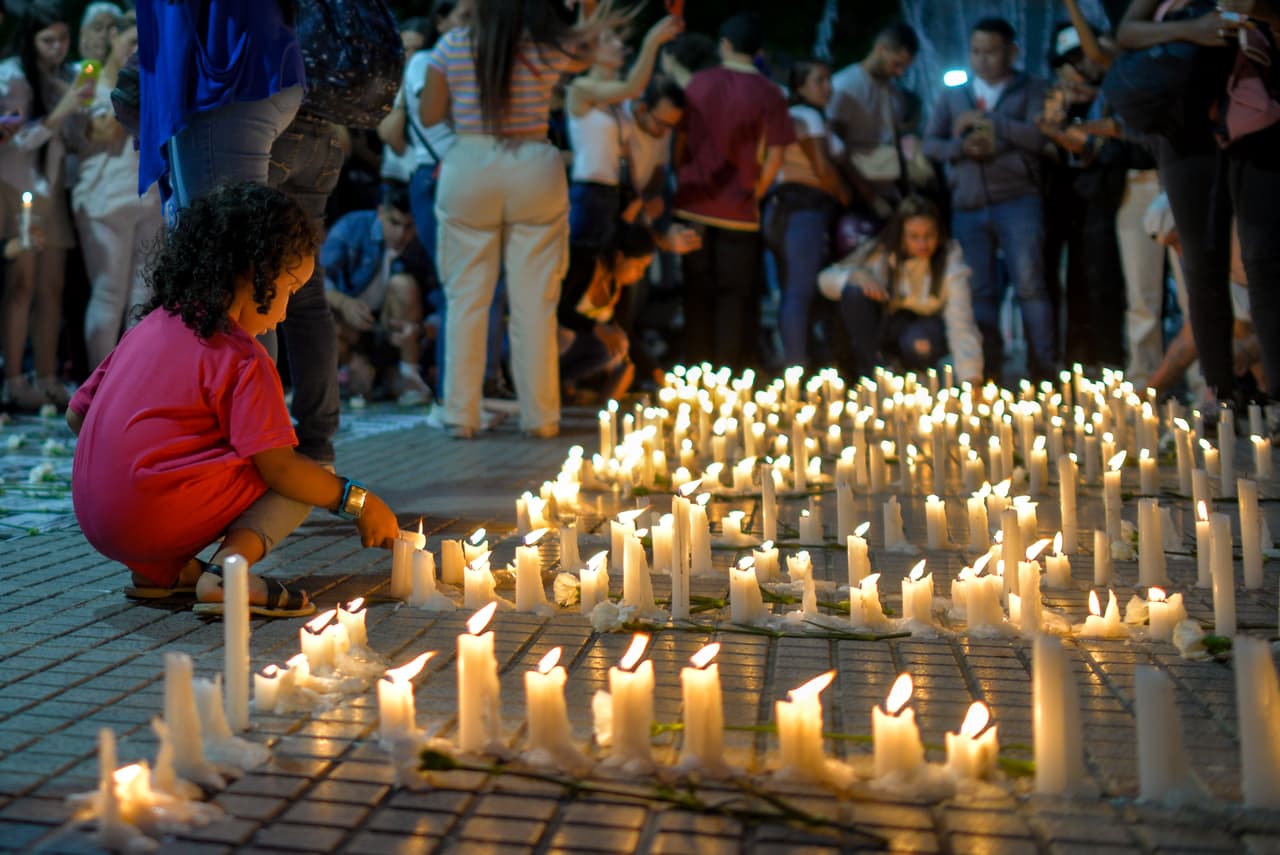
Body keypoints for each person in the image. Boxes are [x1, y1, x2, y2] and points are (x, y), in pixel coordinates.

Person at [67, 183, 400, 615]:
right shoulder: (242, 359)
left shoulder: (149, 327)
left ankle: (159, 572)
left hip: (95, 520)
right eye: (288, 290)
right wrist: (359, 502)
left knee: (222, 461)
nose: (284, 313)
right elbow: (282, 471)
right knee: (310, 477)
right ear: (256, 275)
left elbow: (77, 415)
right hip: (152, 517)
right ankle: (229, 572)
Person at [421, 0, 628, 439]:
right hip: (534, 165)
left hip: (469, 164)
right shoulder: (543, 46)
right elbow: (587, 52)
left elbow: (429, 114)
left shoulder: (453, 45)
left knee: (466, 299)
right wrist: (587, 9)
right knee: (536, 302)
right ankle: (541, 417)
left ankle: (461, 414)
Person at [1117, 0, 1280, 414]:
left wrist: (1256, 9)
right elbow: (1126, 33)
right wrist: (1191, 29)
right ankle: (1220, 395)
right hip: (1184, 126)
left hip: (1252, 119)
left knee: (1263, 262)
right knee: (1202, 263)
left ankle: (1278, 399)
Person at [922, 17, 1053, 383]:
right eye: (976, 51)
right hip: (968, 203)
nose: (982, 59)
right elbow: (929, 144)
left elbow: (1041, 136)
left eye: (991, 51)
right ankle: (987, 371)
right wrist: (960, 147)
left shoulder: (1032, 88)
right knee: (978, 291)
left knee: (1030, 286)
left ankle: (1043, 373)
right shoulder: (954, 95)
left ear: (1012, 52)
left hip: (1018, 199)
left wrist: (992, 122)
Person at [672, 11, 794, 370]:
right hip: (740, 211)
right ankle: (728, 375)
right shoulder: (770, 92)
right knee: (734, 297)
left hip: (693, 203)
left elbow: (679, 138)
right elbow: (776, 154)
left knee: (696, 293)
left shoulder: (698, 83)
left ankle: (696, 371)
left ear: (724, 45)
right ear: (758, 51)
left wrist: (681, 176)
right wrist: (756, 191)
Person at [0, 0, 93, 410]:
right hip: (17, 186)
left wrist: (79, 111)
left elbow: (72, 137)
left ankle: (48, 376)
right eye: (48, 40)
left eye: (63, 38)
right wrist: (62, 109)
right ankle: (14, 378)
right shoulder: (12, 77)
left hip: (53, 188)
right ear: (31, 40)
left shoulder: (65, 76)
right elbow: (14, 141)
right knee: (22, 282)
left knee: (52, 287)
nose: (57, 47)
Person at [71, 10, 164, 371]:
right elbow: (102, 131)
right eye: (132, 41)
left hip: (149, 196)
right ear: (113, 37)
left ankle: (131, 382)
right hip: (104, 198)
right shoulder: (89, 79)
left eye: (145, 43)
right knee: (109, 294)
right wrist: (136, 84)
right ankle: (99, 385)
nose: (138, 50)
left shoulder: (155, 80)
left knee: (144, 297)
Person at [819, 195, 982, 386]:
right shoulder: (882, 253)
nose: (923, 244)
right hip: (889, 328)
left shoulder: (950, 260)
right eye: (914, 236)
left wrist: (970, 377)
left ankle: (918, 377)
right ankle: (877, 375)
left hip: (928, 330)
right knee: (854, 293)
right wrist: (855, 275)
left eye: (929, 235)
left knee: (918, 342)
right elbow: (825, 280)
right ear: (901, 235)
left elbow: (961, 322)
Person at [762, 58, 846, 370]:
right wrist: (848, 198)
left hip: (787, 211)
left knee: (796, 291)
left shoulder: (803, 117)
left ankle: (801, 363)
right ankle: (796, 367)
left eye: (829, 80)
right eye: (818, 80)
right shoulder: (807, 116)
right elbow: (823, 170)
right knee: (799, 293)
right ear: (800, 87)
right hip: (803, 211)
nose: (827, 87)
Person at [322, 182, 434, 404]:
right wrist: (344, 303)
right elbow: (314, 279)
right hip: (350, 324)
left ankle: (408, 375)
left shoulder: (420, 242)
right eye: (394, 223)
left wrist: (420, 330)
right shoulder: (352, 227)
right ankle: (349, 367)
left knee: (403, 285)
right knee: (320, 318)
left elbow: (440, 302)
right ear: (381, 212)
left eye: (409, 226)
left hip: (390, 330)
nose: (401, 234)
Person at [829, 20, 923, 216]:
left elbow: (896, 145)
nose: (899, 72)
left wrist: (906, 191)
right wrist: (868, 196)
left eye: (905, 67)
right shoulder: (846, 86)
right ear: (881, 49)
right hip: (856, 191)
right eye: (897, 64)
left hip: (888, 188)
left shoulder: (894, 93)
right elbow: (835, 147)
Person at [558, 224, 656, 402]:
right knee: (570, 335)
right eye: (638, 266)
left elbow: (624, 327)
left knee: (618, 345)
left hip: (569, 351)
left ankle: (564, 382)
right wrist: (597, 328)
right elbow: (558, 310)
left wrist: (653, 370)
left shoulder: (616, 284)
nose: (640, 274)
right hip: (547, 343)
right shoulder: (585, 266)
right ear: (620, 257)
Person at [77, 1, 120, 66]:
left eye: (110, 29)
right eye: (98, 28)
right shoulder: (71, 71)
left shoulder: (129, 71)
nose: (104, 35)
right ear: (83, 33)